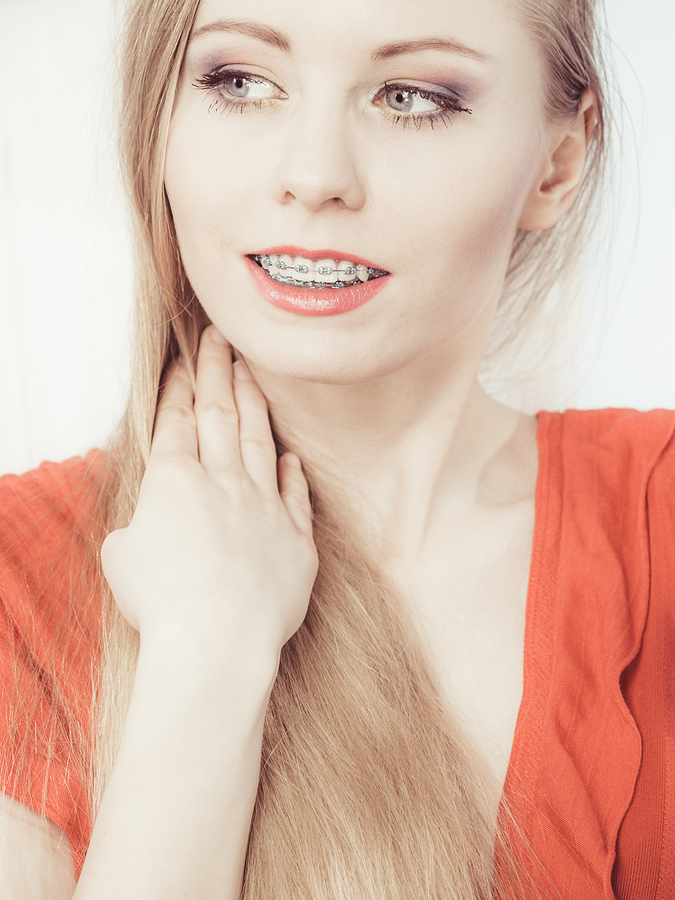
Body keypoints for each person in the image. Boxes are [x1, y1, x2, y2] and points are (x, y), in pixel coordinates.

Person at [0, 0, 671, 897]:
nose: (313, 175)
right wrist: (205, 654)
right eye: (239, 81)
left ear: (559, 161)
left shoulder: (655, 510)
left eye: (411, 95)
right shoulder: (17, 585)